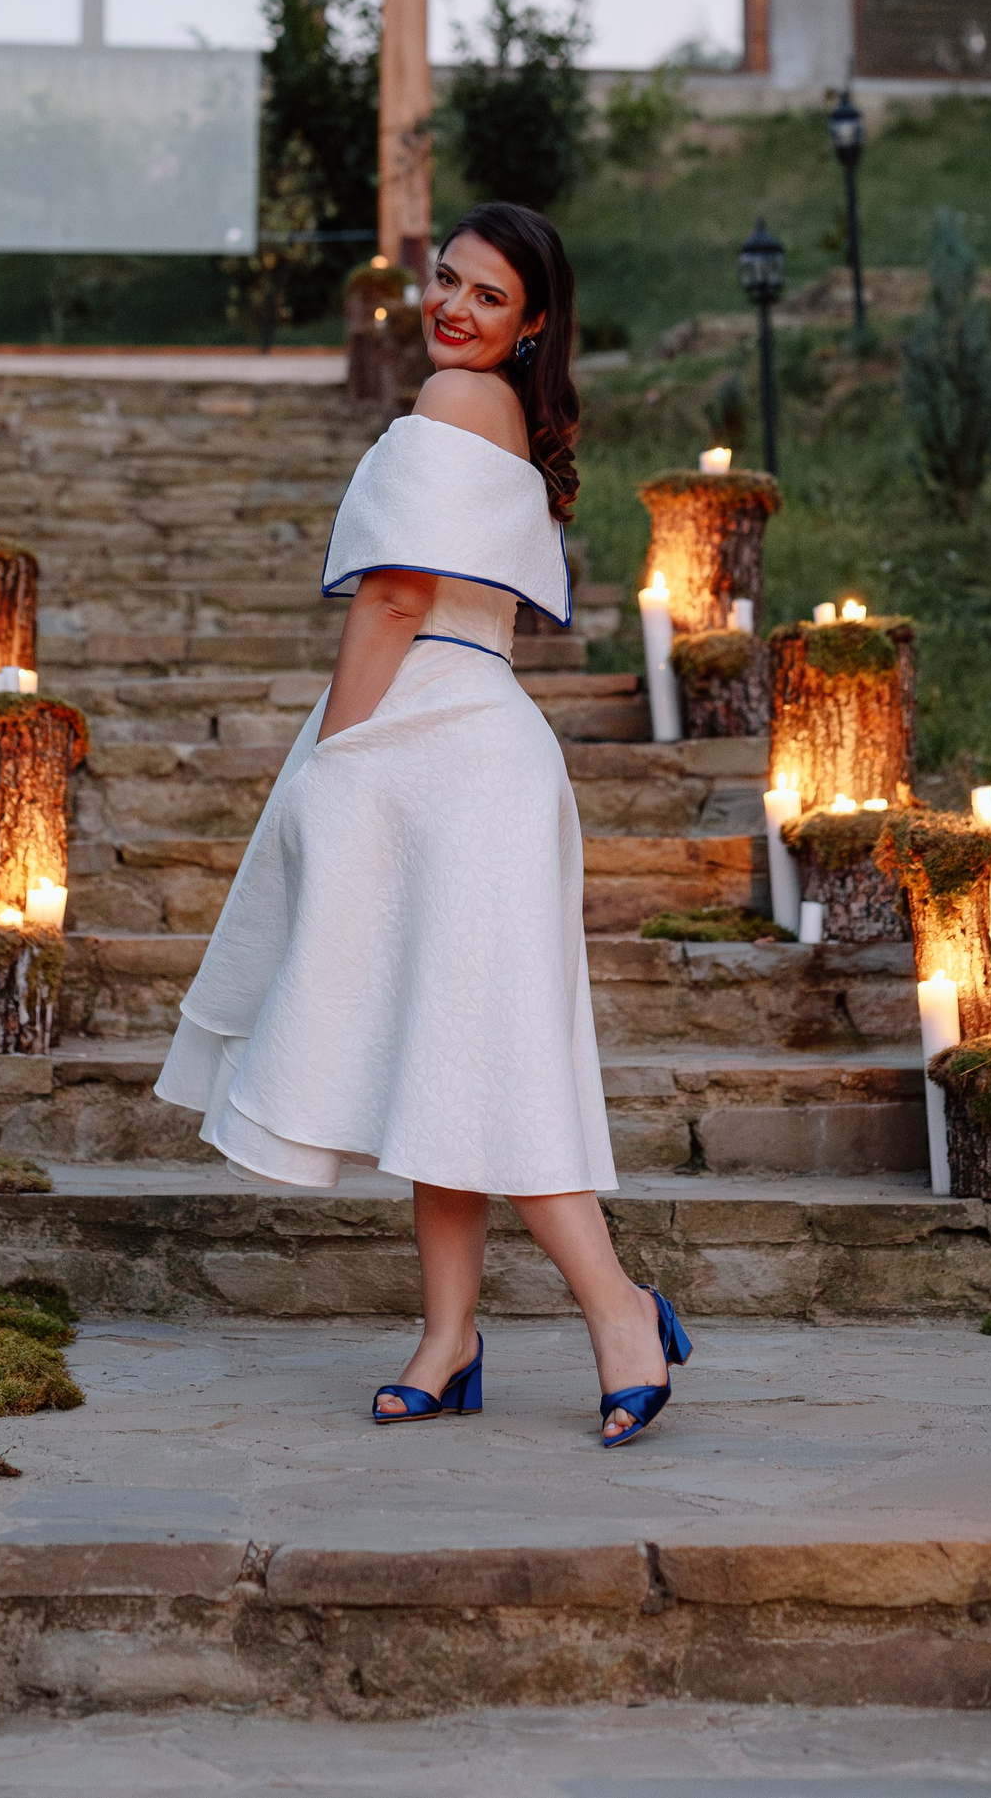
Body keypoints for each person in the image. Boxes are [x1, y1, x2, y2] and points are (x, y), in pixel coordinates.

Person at [155, 200, 690, 1445]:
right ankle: (449, 1340)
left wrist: (335, 755)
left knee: (486, 1054)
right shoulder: (501, 413)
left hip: (438, 744)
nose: (452, 306)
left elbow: (396, 596)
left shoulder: (453, 403)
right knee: (440, 1052)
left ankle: (621, 1310)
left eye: (487, 295)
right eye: (446, 279)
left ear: (532, 323)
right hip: (464, 738)